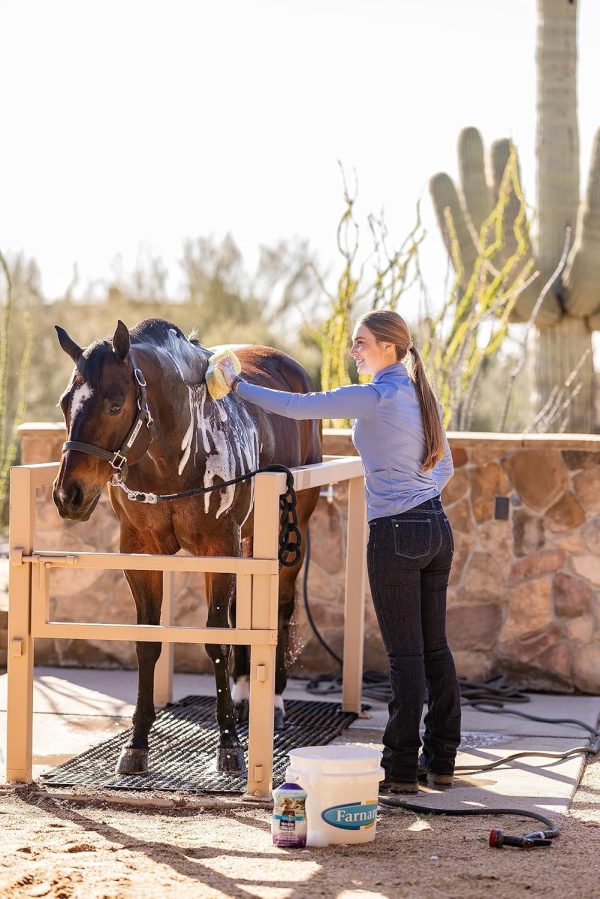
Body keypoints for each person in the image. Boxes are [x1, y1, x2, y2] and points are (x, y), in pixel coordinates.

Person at [217, 309, 461, 793]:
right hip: (436, 525)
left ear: (389, 349)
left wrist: (237, 385)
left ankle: (401, 769)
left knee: (406, 656)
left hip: (396, 533)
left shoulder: (378, 394)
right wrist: (416, 491)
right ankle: (442, 760)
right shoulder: (417, 394)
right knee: (435, 647)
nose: (355, 351)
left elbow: (300, 406)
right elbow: (446, 466)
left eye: (362, 343)